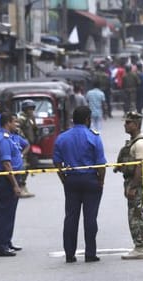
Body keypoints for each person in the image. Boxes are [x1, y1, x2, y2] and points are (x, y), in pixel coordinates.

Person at [53, 106, 106, 263]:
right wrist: (101, 181)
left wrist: (64, 179)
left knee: (70, 217)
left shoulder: (62, 138)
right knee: (90, 218)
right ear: (88, 119)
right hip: (91, 180)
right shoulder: (94, 137)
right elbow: (101, 164)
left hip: (71, 180)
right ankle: (90, 254)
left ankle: (69, 254)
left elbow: (57, 163)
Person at [117, 111, 143, 260]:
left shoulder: (139, 143)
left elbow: (140, 167)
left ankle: (140, 247)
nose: (125, 125)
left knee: (137, 215)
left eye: (128, 122)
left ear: (137, 124)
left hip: (137, 184)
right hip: (135, 183)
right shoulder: (135, 142)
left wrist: (132, 186)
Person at [0, 112, 24, 256]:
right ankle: (0, 246)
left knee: (7, 212)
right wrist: (15, 185)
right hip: (6, 180)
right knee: (5, 213)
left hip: (2, 179)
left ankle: (6, 241)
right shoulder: (4, 139)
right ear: (8, 122)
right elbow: (6, 164)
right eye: (15, 122)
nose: (17, 124)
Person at [16, 100, 38, 198]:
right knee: (23, 166)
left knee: (31, 164)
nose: (31, 111)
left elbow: (34, 129)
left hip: (29, 146)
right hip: (23, 146)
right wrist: (23, 140)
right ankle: (20, 187)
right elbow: (17, 129)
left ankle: (23, 186)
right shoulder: (21, 118)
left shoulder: (30, 118)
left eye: (32, 109)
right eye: (29, 109)